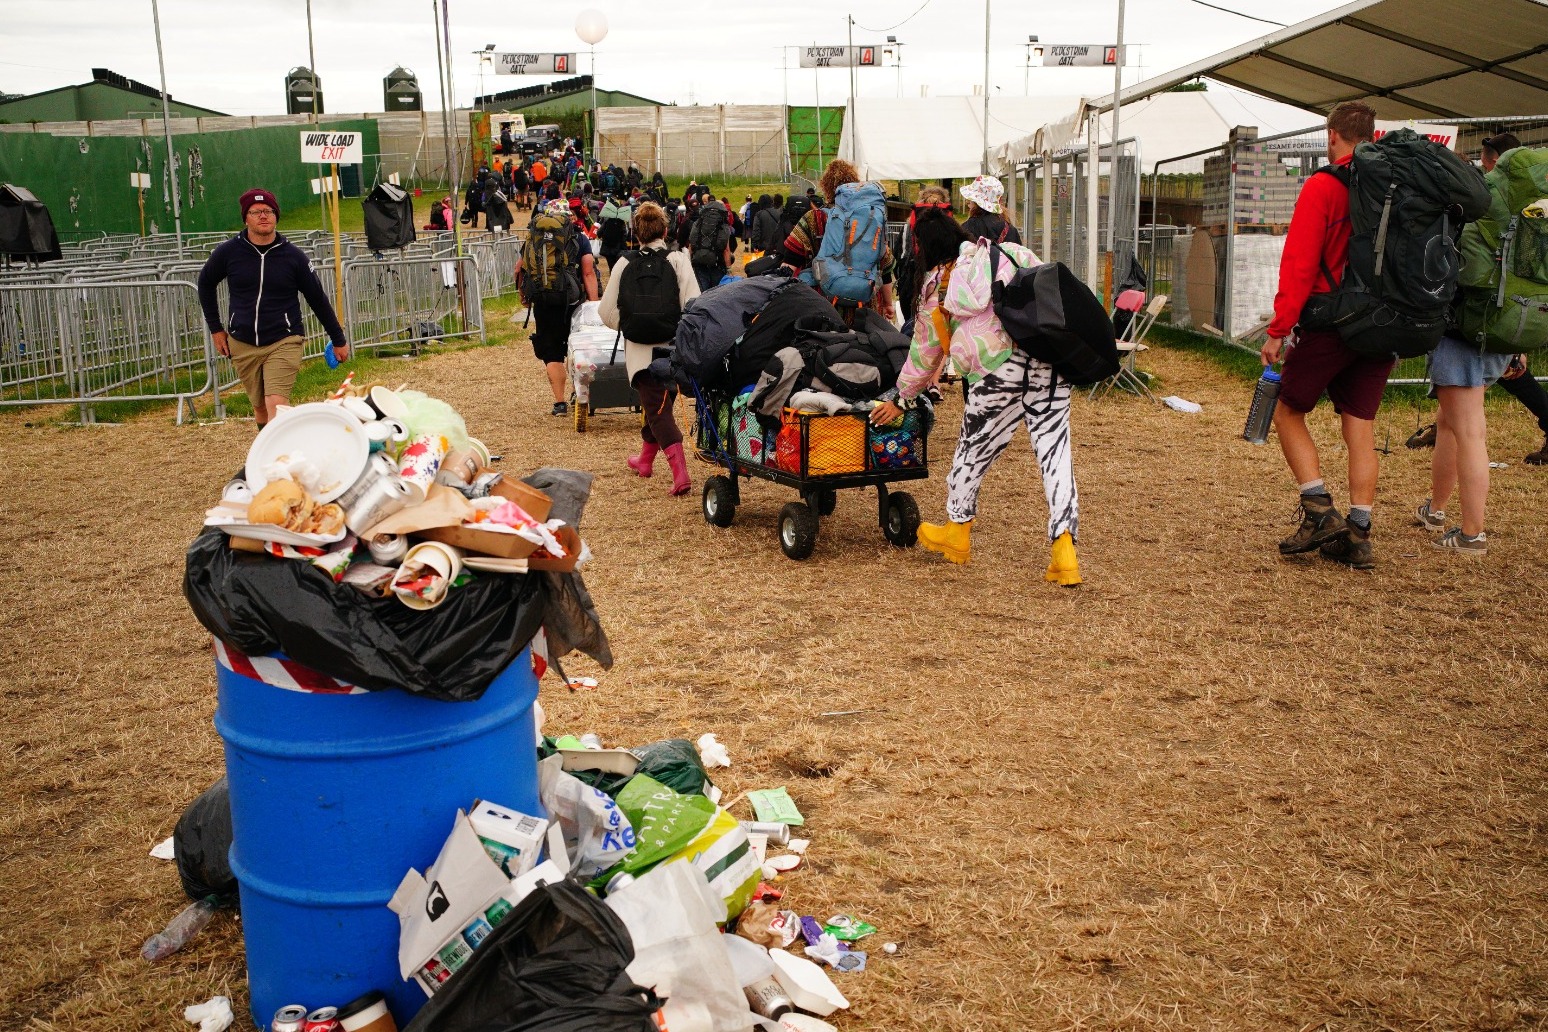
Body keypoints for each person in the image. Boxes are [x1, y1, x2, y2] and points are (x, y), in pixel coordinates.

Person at [872, 207, 1080, 580]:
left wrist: (900, 398)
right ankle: (1064, 549)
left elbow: (925, 353)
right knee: (1055, 453)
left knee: (972, 451)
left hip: (996, 369)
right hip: (1047, 361)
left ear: (924, 248)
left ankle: (957, 532)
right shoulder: (1008, 253)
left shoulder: (937, 285)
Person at [1259, 100, 1389, 570]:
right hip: (1385, 324)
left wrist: (1278, 330)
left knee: (1287, 410)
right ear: (1373, 137)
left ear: (1332, 135)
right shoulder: (1394, 188)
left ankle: (1318, 510)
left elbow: (1299, 263)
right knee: (1359, 425)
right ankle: (1358, 532)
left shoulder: (1324, 186)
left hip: (1332, 322)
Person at [1415, 131, 1531, 554]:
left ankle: (1471, 534)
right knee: (1451, 423)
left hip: (1461, 335)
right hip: (1499, 333)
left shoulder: (1470, 213)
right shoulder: (1518, 215)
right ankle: (1437, 510)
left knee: (1469, 432)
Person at [197, 188, 350, 433]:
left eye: (268, 211)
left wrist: (338, 339)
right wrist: (216, 328)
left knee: (276, 404)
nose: (263, 216)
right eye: (255, 212)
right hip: (242, 341)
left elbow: (317, 298)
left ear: (276, 216)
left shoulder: (294, 257)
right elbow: (205, 283)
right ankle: (266, 456)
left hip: (284, 339)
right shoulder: (228, 252)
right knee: (259, 407)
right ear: (245, 218)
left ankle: (280, 460)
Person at [599, 201, 702, 496]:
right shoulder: (679, 259)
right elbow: (694, 304)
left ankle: (680, 474)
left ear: (636, 233)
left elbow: (605, 313)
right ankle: (645, 460)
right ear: (666, 230)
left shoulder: (624, 262)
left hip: (640, 353)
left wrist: (631, 323)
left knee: (658, 411)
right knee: (659, 405)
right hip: (672, 348)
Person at [780, 159, 897, 320]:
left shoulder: (814, 218)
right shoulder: (871, 219)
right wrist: (889, 304)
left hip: (822, 308)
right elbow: (885, 266)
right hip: (865, 309)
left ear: (827, 188)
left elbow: (790, 263)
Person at [515, 199, 599, 416]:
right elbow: (588, 272)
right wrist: (593, 301)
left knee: (551, 351)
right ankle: (579, 394)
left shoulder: (533, 238)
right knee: (578, 348)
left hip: (543, 301)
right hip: (571, 301)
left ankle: (559, 403)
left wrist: (523, 296)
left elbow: (520, 270)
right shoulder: (578, 238)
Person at [688, 195, 733, 291]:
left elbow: (691, 245)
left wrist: (689, 263)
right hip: (717, 264)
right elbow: (726, 250)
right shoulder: (723, 226)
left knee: (702, 292)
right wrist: (729, 269)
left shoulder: (697, 224)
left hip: (699, 263)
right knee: (716, 293)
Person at [960, 176, 1022, 245]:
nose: (967, 202)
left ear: (977, 202)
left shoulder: (970, 226)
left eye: (970, 199)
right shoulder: (1008, 227)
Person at [597, 193, 632, 280]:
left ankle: (612, 280)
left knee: (611, 267)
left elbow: (599, 233)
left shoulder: (607, 220)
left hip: (608, 247)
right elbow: (625, 235)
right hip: (618, 248)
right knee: (619, 267)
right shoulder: (622, 221)